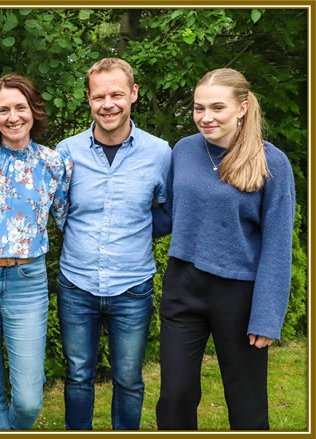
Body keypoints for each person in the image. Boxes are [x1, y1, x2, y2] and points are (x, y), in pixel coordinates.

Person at [153, 68, 295, 430]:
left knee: (246, 402)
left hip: (239, 294)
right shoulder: (184, 150)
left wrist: (267, 316)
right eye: (199, 108)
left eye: (217, 107)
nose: (206, 117)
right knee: (175, 395)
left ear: (242, 108)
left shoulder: (271, 162)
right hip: (183, 285)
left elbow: (278, 246)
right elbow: (169, 215)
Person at [54, 58, 171, 430]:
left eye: (117, 94)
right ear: (88, 99)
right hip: (76, 284)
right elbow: (58, 210)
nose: (108, 104)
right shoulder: (66, 151)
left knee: (129, 380)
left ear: (133, 94)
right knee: (77, 376)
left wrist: (133, 231)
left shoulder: (159, 152)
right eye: (99, 96)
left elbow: (169, 210)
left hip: (132, 286)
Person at [0, 74, 72, 430]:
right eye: (3, 109)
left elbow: (67, 220)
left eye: (20, 107)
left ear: (33, 110)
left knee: (28, 399)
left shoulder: (55, 164)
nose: (13, 116)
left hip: (26, 281)